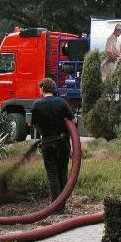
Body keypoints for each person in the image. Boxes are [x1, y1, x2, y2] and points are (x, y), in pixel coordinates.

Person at [31, 78, 77, 212]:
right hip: (63, 142)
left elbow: (34, 124)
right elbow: (73, 120)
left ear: (42, 89)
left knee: (52, 174)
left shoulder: (36, 105)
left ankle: (55, 206)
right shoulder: (61, 102)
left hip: (47, 143)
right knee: (62, 172)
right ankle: (62, 206)